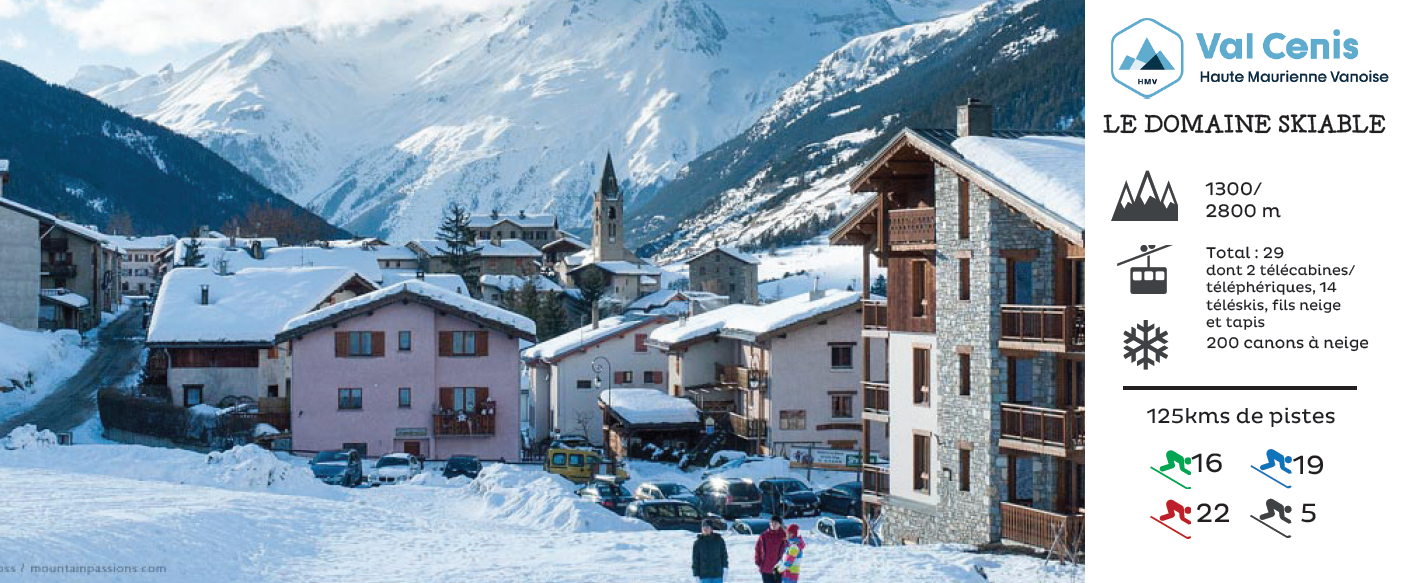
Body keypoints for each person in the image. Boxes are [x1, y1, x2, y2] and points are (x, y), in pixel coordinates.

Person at [692, 519, 729, 583]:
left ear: (711, 528)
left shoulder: (719, 540)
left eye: (707, 527)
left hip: (717, 575)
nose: (705, 529)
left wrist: (725, 569)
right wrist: (696, 575)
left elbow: (724, 556)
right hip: (704, 576)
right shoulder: (698, 543)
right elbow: (695, 560)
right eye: (703, 527)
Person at [755, 515, 788, 583]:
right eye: (771, 523)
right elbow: (757, 549)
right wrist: (758, 562)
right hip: (765, 568)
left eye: (775, 523)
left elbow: (791, 547)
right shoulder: (764, 536)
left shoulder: (783, 536)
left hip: (778, 568)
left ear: (780, 524)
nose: (773, 525)